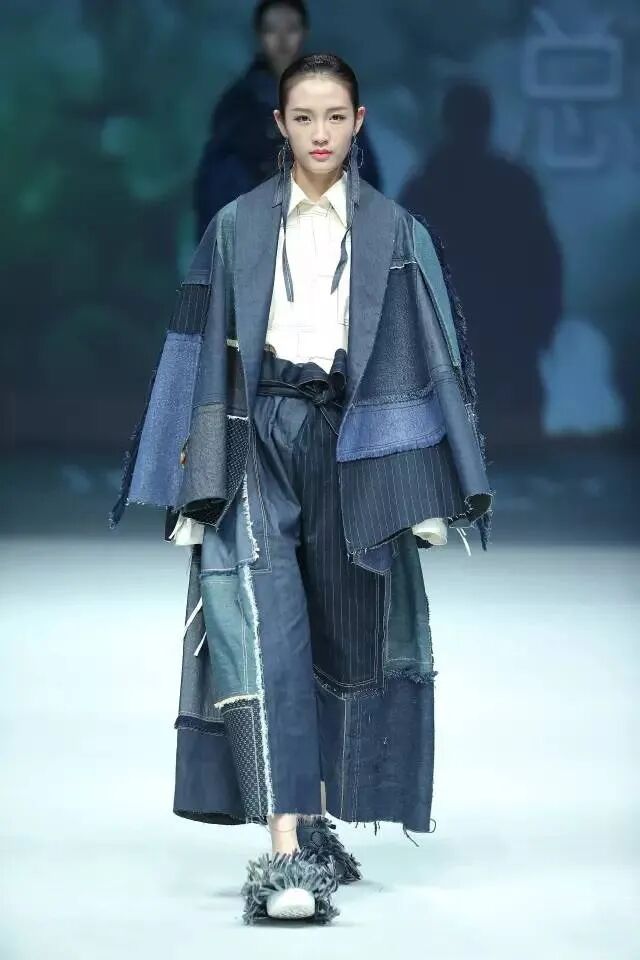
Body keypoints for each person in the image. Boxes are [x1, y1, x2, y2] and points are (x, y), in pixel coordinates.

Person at [110, 54, 493, 925]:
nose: (320, 133)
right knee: (262, 628)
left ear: (359, 123)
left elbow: (429, 359)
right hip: (257, 435)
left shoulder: (396, 230)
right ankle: (284, 852)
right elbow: (196, 350)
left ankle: (314, 822)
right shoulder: (237, 226)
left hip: (353, 445)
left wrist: (425, 486)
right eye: (304, 117)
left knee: (342, 634)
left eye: (335, 117)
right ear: (280, 125)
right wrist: (192, 477)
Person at [399, 80, 562, 448]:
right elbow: (545, 263)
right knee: (514, 450)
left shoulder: (427, 187)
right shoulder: (511, 184)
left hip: (463, 343)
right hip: (502, 339)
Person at [193, 0, 381, 241]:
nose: (282, 40)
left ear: (304, 32)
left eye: (290, 29)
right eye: (272, 30)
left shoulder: (334, 95)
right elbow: (214, 188)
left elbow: (363, 172)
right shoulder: (238, 104)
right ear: (260, 35)